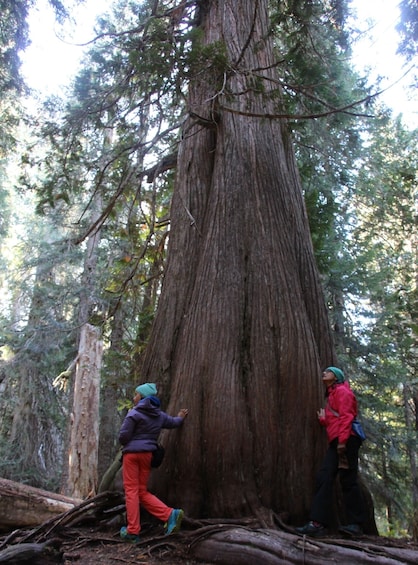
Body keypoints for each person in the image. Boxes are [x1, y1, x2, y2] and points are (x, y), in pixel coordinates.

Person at [296, 367, 365, 537]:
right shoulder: (332, 395)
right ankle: (317, 523)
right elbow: (335, 419)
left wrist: (342, 441)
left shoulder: (343, 392)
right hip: (337, 441)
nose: (324, 373)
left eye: (329, 371)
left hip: (348, 439)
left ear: (337, 377)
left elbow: (347, 417)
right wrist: (323, 419)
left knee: (348, 480)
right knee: (324, 477)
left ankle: (356, 525)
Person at [118, 382, 189, 543]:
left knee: (131, 491)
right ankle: (170, 514)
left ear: (142, 397)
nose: (134, 397)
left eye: (136, 394)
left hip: (132, 456)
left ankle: (133, 531)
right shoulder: (159, 415)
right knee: (141, 491)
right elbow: (173, 423)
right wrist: (181, 417)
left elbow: (123, 437)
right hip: (147, 455)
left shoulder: (134, 414)